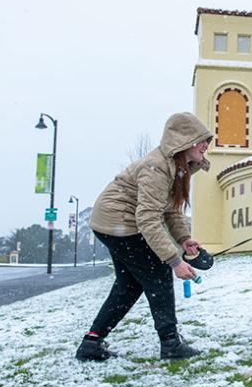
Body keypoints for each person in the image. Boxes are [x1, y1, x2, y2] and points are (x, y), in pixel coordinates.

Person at [75, 112, 212, 361]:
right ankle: (171, 344)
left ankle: (91, 344)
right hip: (118, 222)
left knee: (128, 286)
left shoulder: (179, 168)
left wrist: (183, 240)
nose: (206, 145)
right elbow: (148, 219)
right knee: (158, 274)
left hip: (115, 222)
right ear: (183, 140)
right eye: (201, 139)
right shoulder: (158, 168)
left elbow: (171, 209)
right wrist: (174, 261)